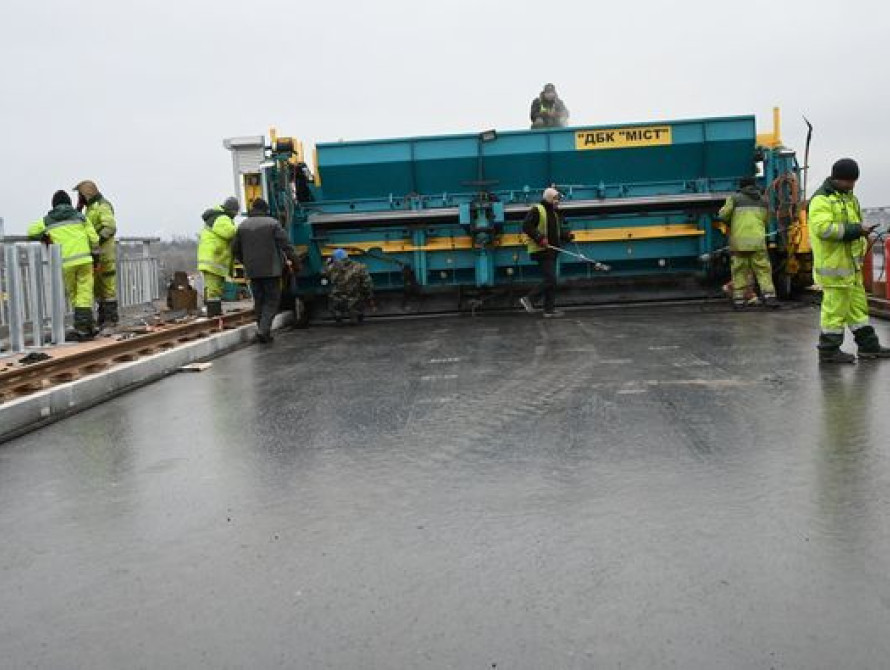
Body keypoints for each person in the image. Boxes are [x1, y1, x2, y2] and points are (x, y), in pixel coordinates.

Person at [809, 158, 890, 363]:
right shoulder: (821, 199)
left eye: (854, 181)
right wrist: (857, 230)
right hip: (834, 267)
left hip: (851, 267)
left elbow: (854, 224)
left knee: (858, 309)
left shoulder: (850, 198)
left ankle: (868, 346)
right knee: (834, 311)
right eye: (849, 181)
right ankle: (828, 350)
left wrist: (861, 234)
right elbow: (823, 229)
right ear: (837, 178)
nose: (852, 185)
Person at [28, 190, 100, 340]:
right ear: (69, 203)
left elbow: (31, 232)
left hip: (66, 263)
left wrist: (44, 237)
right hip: (85, 260)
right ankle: (87, 326)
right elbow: (94, 238)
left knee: (74, 294)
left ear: (53, 205)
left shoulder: (47, 220)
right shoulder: (80, 217)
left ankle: (84, 327)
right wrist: (96, 258)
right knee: (85, 292)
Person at [232, 198, 299, 343]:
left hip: (252, 271)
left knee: (259, 301)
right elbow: (286, 246)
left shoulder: (242, 226)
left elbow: (235, 249)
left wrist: (245, 262)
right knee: (271, 301)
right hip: (271, 270)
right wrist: (296, 263)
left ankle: (264, 331)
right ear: (265, 210)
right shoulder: (272, 224)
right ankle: (263, 331)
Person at [717, 177, 779, 309]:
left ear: (741, 186)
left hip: (739, 242)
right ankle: (769, 297)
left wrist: (731, 221)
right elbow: (767, 219)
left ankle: (739, 301)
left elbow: (722, 216)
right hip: (758, 241)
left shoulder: (734, 199)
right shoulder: (764, 200)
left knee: (739, 270)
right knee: (763, 270)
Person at [519, 187, 574, 318]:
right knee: (550, 279)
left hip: (551, 250)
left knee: (552, 281)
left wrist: (566, 236)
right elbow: (526, 226)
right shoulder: (537, 209)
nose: (558, 201)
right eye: (555, 199)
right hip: (541, 250)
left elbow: (555, 232)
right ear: (549, 198)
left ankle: (549, 310)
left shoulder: (553, 213)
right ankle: (529, 299)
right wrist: (539, 238)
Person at [74, 180, 118, 328]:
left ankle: (111, 318)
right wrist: (78, 209)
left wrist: (96, 241)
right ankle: (103, 318)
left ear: (86, 194)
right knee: (97, 288)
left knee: (107, 287)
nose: (79, 198)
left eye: (80, 195)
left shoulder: (102, 206)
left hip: (105, 255)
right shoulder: (90, 208)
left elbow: (110, 227)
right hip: (95, 255)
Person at [198, 197, 239, 318]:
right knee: (213, 289)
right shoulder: (222, 218)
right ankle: (213, 314)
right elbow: (230, 232)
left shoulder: (218, 217)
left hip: (213, 260)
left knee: (216, 288)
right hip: (213, 260)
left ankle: (215, 313)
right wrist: (243, 229)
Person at [325, 248, 373, 324]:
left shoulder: (332, 268)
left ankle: (338, 317)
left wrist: (327, 263)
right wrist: (368, 295)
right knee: (357, 302)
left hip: (338, 297)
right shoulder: (358, 267)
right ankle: (356, 316)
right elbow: (367, 283)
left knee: (333, 300)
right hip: (355, 297)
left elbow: (324, 273)